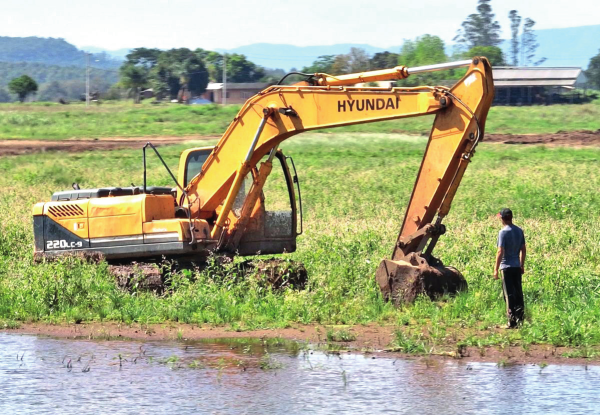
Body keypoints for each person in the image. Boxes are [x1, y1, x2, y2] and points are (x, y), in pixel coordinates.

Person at [493, 208, 526, 328]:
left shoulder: (503, 232)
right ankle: (520, 319)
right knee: (518, 293)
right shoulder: (519, 231)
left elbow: (500, 251)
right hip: (516, 266)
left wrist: (496, 269)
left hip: (506, 267)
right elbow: (523, 249)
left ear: (502, 218)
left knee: (508, 294)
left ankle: (511, 322)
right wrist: (521, 264)